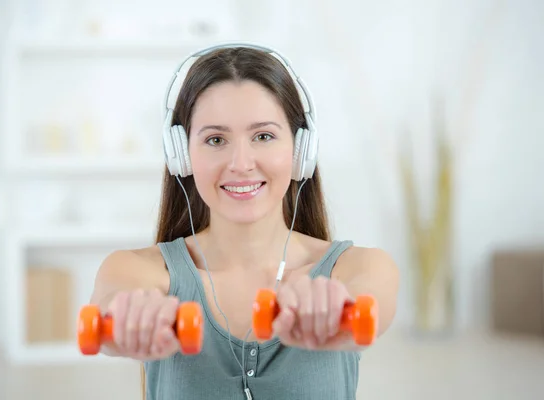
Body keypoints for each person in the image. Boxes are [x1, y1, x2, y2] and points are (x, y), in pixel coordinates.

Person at [89, 43, 400, 400]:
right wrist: (127, 320)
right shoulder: (139, 271)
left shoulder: (358, 267)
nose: (240, 162)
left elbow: (372, 304)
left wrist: (339, 313)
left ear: (301, 151)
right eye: (216, 139)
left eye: (263, 136)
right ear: (182, 155)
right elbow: (110, 305)